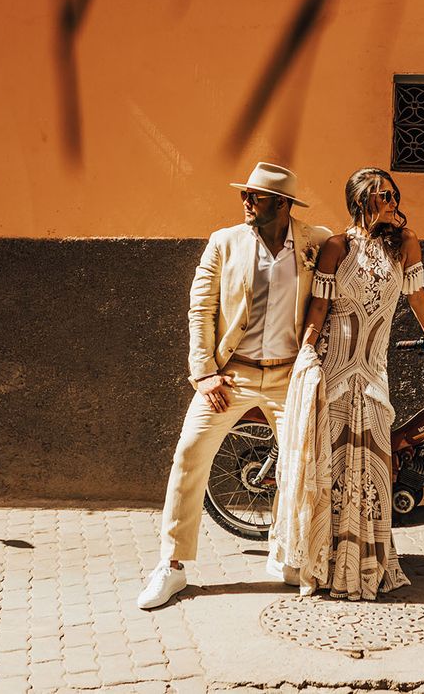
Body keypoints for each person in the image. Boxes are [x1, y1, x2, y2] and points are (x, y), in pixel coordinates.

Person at [138, 162, 331, 609]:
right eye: (244, 195)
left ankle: (289, 556)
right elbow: (200, 310)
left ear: (282, 205)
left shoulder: (315, 242)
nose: (245, 203)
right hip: (232, 374)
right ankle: (171, 565)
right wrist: (203, 372)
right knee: (189, 452)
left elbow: (351, 262)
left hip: (289, 375)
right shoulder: (224, 243)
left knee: (301, 468)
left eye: (256, 197)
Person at [268, 167, 424, 601]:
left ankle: (366, 560)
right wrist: (307, 349)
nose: (391, 202)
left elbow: (416, 296)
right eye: (381, 196)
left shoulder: (405, 244)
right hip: (334, 367)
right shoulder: (337, 246)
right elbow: (320, 305)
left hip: (372, 370)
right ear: (359, 201)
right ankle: (327, 562)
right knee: (331, 465)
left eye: (393, 194)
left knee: (371, 466)